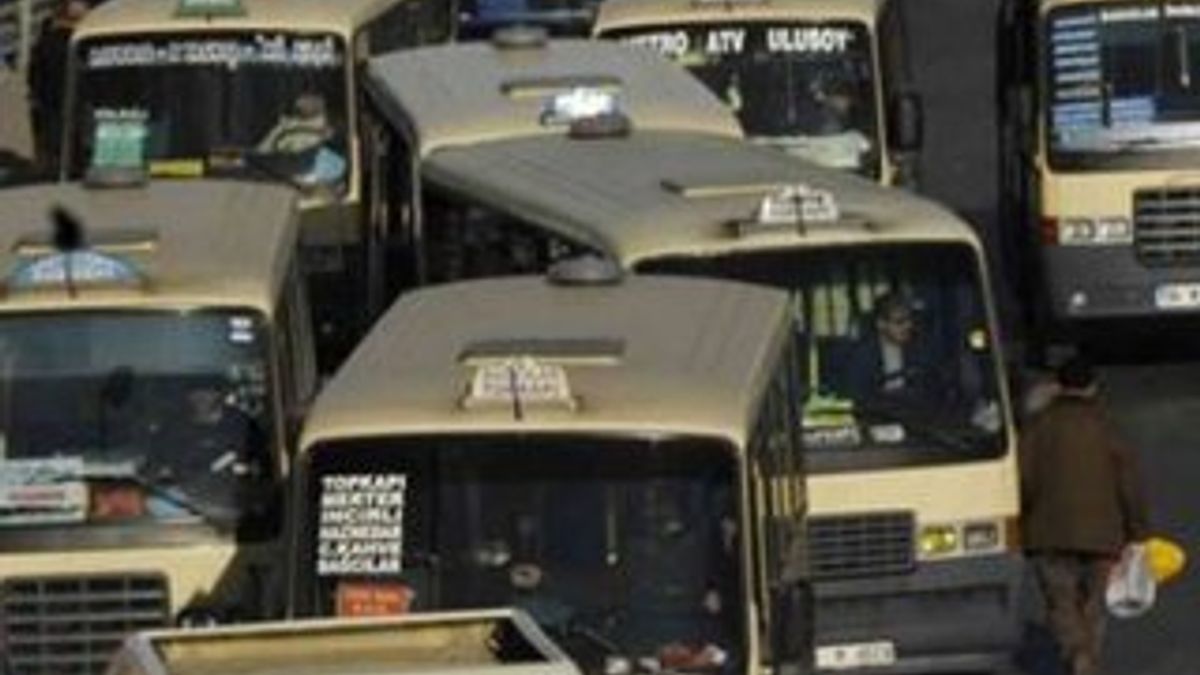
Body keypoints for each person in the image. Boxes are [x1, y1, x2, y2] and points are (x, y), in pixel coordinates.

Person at [1018, 355, 1150, 675]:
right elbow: (1128, 483)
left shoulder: (1037, 427)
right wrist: (1138, 531)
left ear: (1058, 386)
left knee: (1061, 602)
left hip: (1049, 533)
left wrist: (1024, 521)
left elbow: (1023, 478)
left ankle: (1076, 653)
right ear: (1093, 387)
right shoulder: (1107, 427)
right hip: (1103, 535)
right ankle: (1087, 659)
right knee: (1095, 605)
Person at [26, 0, 90, 176]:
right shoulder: (82, 42)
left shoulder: (45, 42)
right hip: (76, 112)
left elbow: (34, 82)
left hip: (55, 114)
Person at [843, 291, 939, 406]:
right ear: (881, 324)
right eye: (900, 322)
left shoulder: (921, 350)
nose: (908, 326)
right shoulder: (862, 357)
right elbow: (859, 397)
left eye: (910, 320)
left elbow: (930, 390)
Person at [256, 92, 334, 154]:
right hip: (266, 144)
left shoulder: (313, 134)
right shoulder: (313, 126)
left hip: (268, 148)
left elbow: (284, 145)